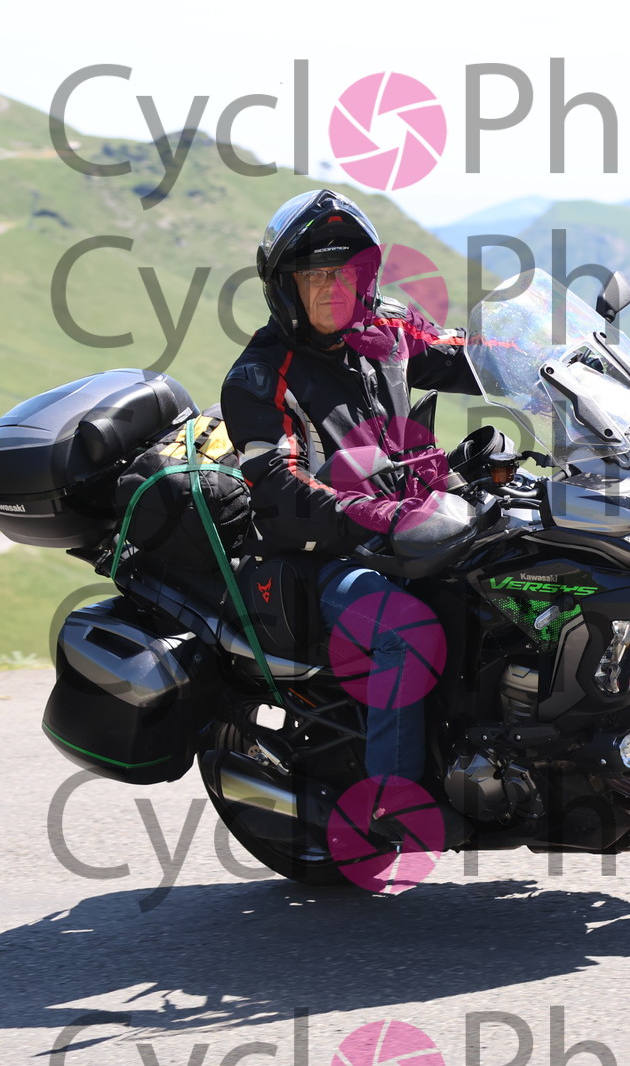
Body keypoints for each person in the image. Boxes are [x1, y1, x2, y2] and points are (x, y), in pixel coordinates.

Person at [219, 188, 479, 833]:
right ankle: (392, 804)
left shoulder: (385, 330)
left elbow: (466, 355)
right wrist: (379, 516)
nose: (334, 289)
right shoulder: (260, 377)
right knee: (406, 632)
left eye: (345, 273)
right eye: (315, 276)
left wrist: (561, 365)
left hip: (411, 532)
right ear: (286, 288)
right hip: (325, 559)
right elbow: (280, 489)